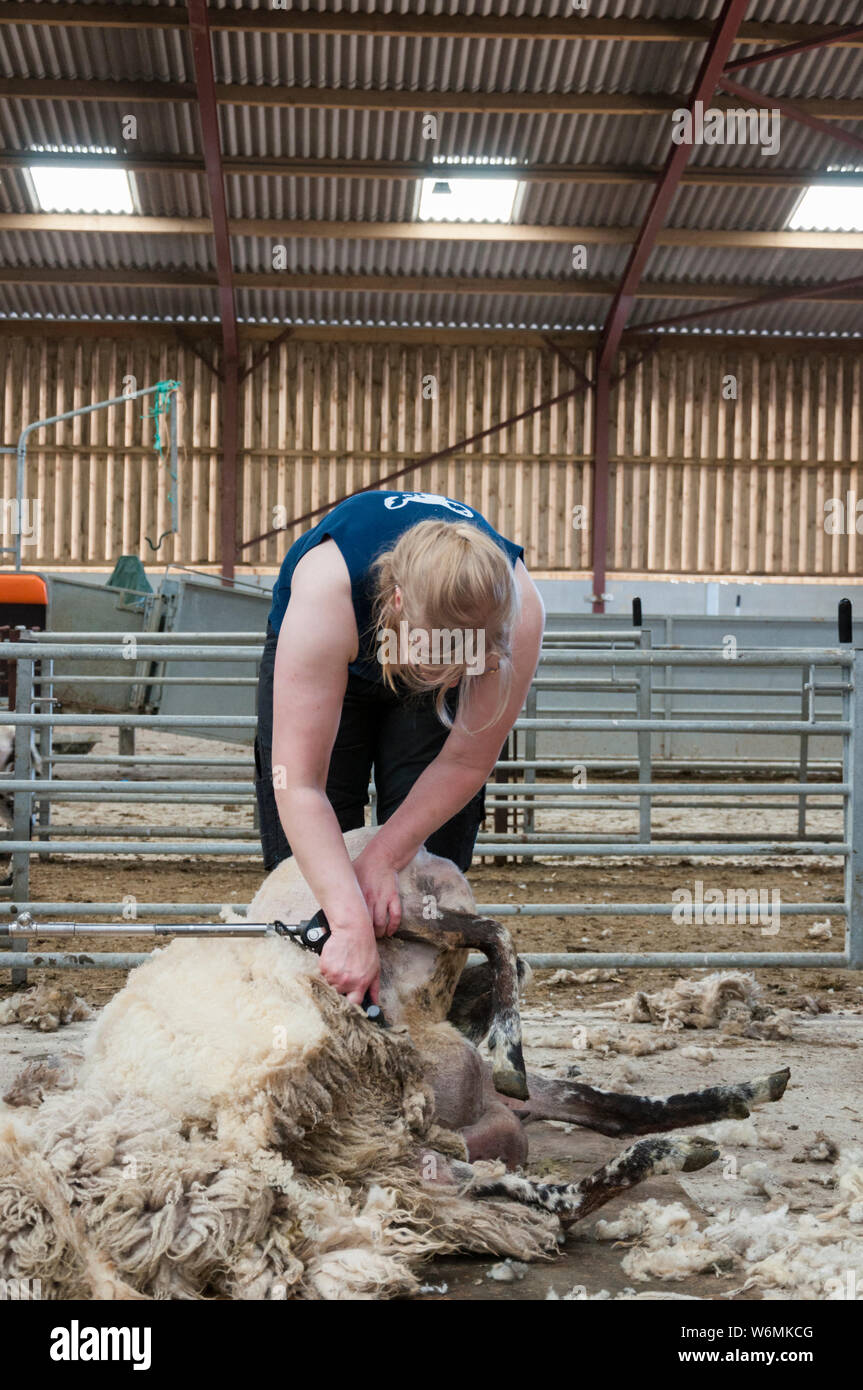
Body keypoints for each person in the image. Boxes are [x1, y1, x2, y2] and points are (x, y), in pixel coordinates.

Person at [254, 489, 545, 1007]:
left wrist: (385, 857)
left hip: (422, 639)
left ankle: (419, 1014)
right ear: (398, 602)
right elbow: (299, 783)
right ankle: (317, 998)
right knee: (315, 876)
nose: (451, 667)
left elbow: (466, 758)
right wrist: (346, 921)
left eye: (468, 656)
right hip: (344, 642)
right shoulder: (328, 590)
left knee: (424, 861)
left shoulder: (518, 611)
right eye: (440, 652)